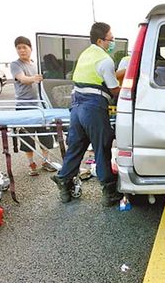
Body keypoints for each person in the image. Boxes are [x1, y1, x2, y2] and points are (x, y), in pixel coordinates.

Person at [51, 22, 122, 206]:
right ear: (100, 40)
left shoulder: (84, 55)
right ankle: (109, 191)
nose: (112, 42)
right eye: (110, 39)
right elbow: (114, 90)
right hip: (93, 106)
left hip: (76, 106)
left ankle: (64, 182)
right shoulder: (105, 60)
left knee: (77, 145)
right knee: (102, 145)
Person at [10, 36, 57, 176]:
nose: (22, 50)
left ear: (31, 48)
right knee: (27, 137)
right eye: (19, 48)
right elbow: (22, 78)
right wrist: (34, 79)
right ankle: (31, 164)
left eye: (24, 47)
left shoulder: (36, 64)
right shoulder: (15, 64)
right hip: (24, 107)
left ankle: (46, 161)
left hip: (40, 106)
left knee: (45, 135)